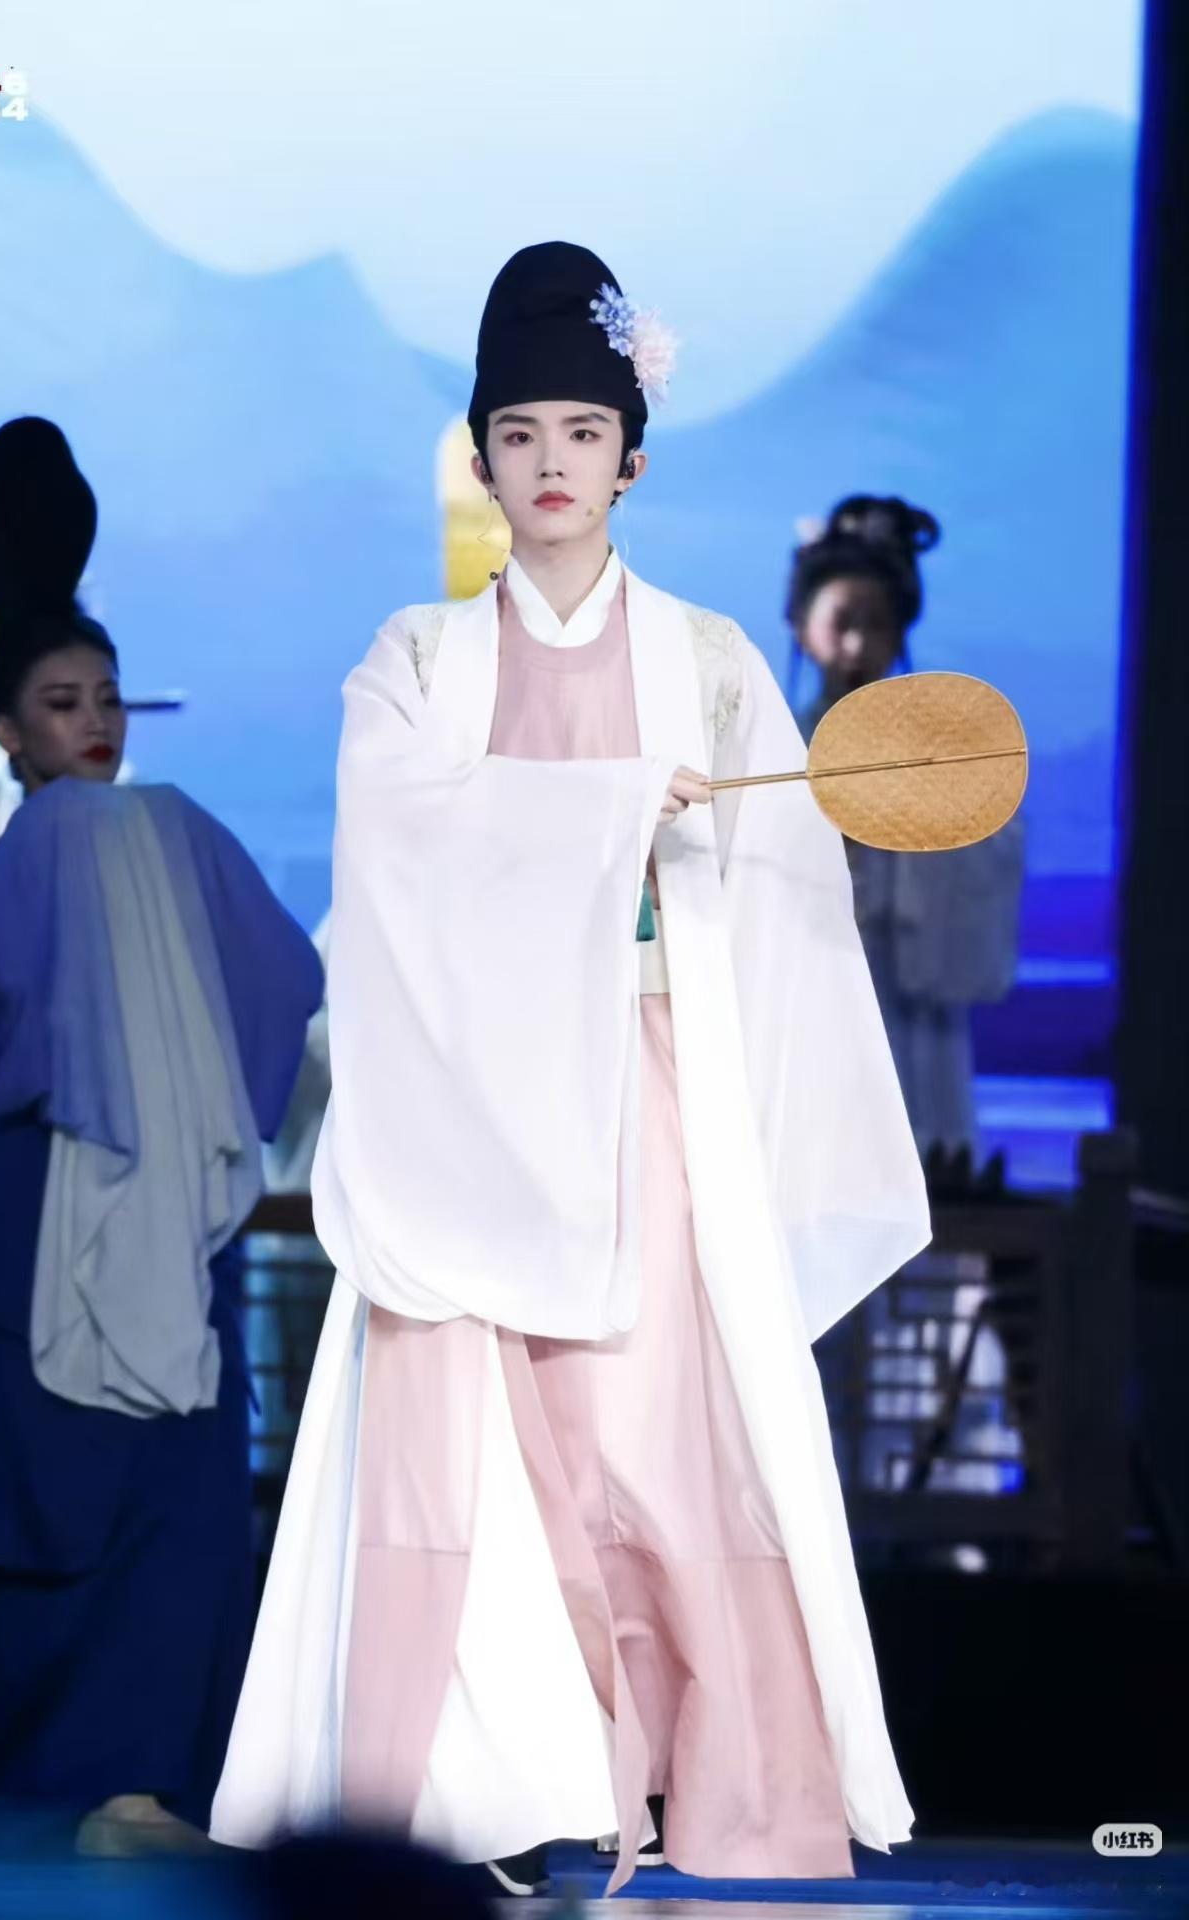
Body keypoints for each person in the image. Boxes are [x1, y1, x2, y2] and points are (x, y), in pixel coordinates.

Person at [212, 243, 930, 1896]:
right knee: (464, 1456)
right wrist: (610, 811)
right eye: (520, 433)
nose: (550, 463)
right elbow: (393, 843)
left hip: (649, 1100)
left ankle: (699, 1786)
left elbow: (786, 883)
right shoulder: (415, 658)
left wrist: (679, 856)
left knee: (661, 1443)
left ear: (632, 462)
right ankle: (483, 1806)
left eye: (583, 434)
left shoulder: (711, 661)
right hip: (466, 1117)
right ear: (481, 456)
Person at [0, 418, 325, 1852]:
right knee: (12, 1504)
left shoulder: (167, 832)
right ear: (8, 728)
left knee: (163, 1516)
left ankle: (133, 1781)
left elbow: (280, 981)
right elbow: (3, 1006)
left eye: (105, 697)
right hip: (36, 1212)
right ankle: (19, 1788)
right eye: (59, 700)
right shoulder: (0, 861)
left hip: (163, 1208)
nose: (92, 720)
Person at [786, 497, 1025, 1189]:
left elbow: (993, 847)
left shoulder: (941, 751)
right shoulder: (770, 745)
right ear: (801, 626)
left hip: (908, 989)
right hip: (804, 994)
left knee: (920, 1157)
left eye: (879, 624)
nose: (857, 645)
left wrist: (922, 834)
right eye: (842, 622)